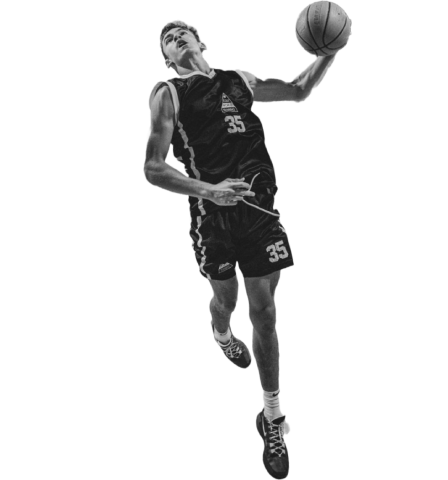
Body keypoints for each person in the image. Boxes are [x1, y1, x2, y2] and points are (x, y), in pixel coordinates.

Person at [145, 19, 340, 480]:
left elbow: (297, 91)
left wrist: (329, 51)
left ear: (201, 41)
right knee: (226, 298)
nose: (175, 37)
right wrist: (209, 191)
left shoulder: (238, 79)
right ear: (168, 59)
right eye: (167, 39)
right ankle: (220, 334)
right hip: (212, 214)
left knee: (265, 310)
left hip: (259, 209)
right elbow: (153, 167)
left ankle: (272, 417)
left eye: (182, 32)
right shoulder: (168, 92)